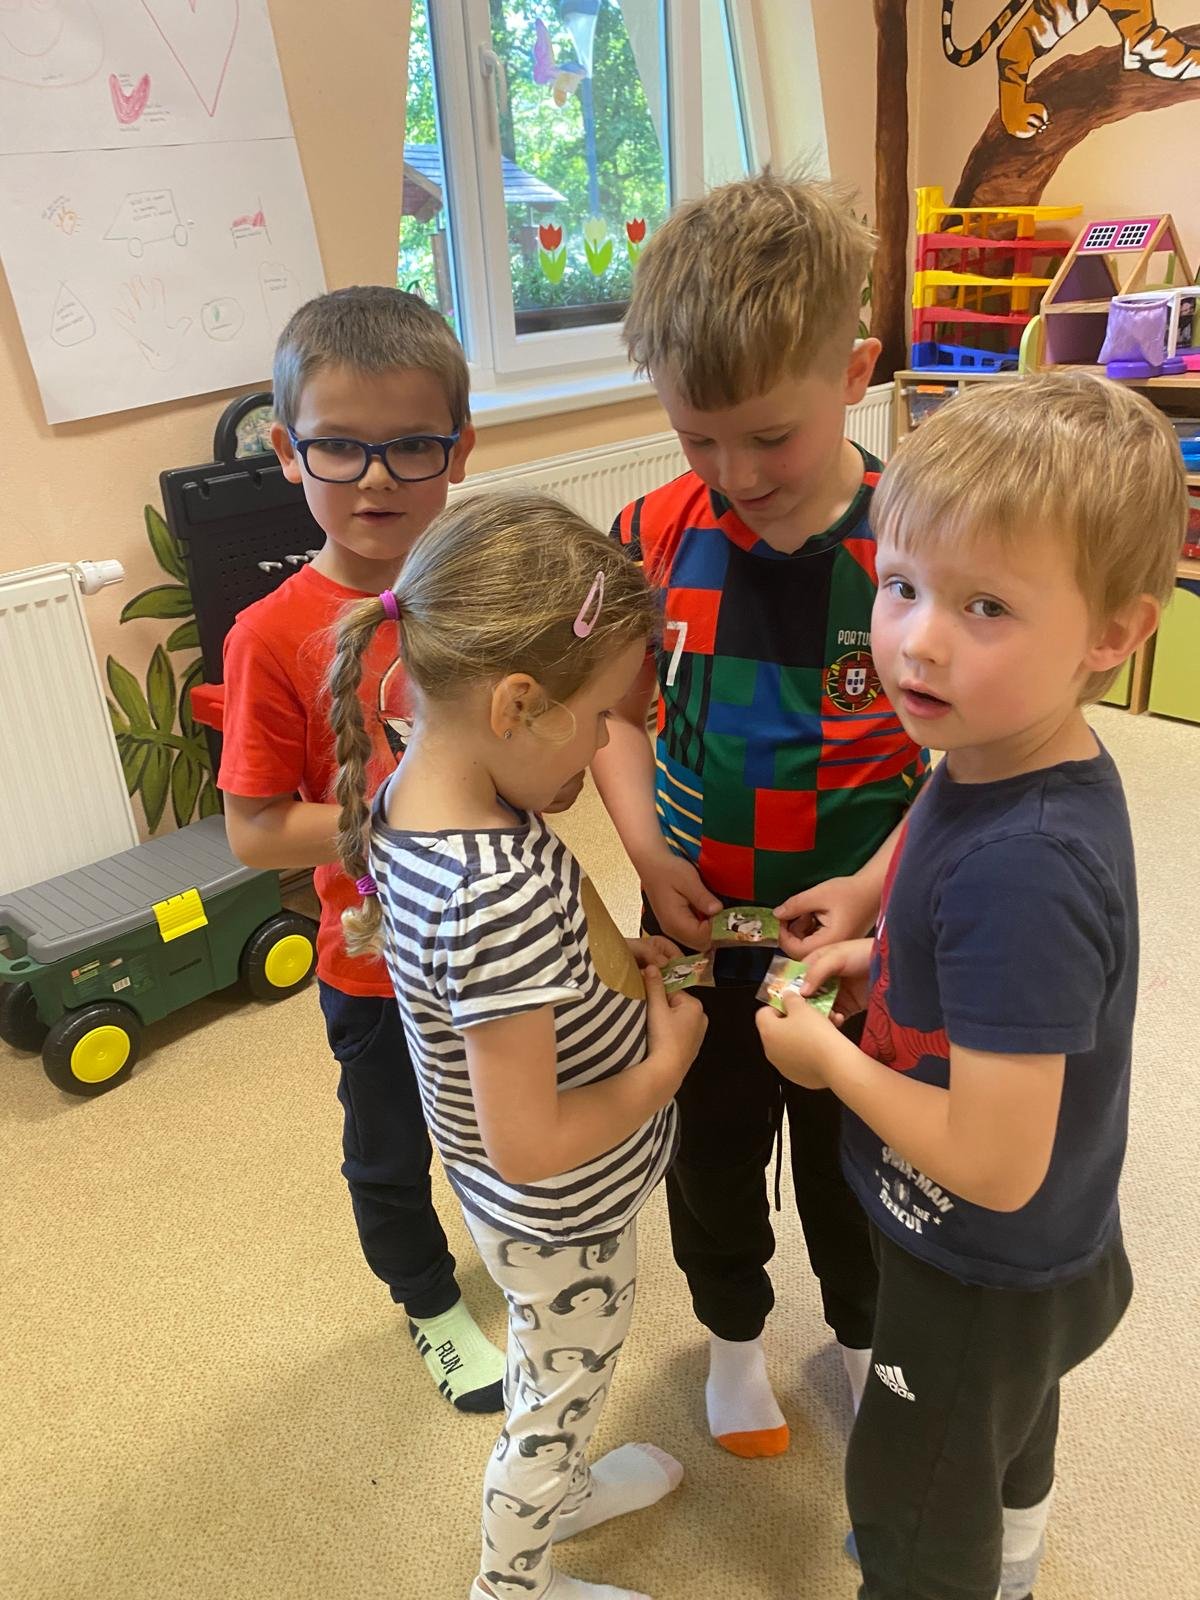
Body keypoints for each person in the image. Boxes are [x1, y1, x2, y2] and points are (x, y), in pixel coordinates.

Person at [757, 372, 1185, 1600]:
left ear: (1112, 635)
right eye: (901, 585)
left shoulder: (1025, 868)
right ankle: (1016, 1558)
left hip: (977, 1257)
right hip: (1032, 1251)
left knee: (914, 1495)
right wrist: (876, 946)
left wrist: (828, 1061)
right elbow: (951, 890)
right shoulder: (999, 744)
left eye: (985, 604)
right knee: (1004, 1425)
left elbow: (995, 1162)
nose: (918, 639)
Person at [591, 170, 927, 1458]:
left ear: (856, 372)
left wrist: (879, 888)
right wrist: (645, 845)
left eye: (768, 438)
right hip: (692, 924)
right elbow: (615, 715)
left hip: (861, 938)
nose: (733, 475)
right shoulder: (648, 533)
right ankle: (733, 1339)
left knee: (859, 1153)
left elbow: (967, 764)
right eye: (697, 438)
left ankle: (862, 1334)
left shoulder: (918, 547)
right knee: (712, 1142)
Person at [327, 491, 708, 1600]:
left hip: (518, 1204)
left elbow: (507, 995)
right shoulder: (490, 894)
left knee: (563, 1371)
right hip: (556, 1210)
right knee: (556, 1400)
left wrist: (608, 960)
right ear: (517, 704)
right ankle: (513, 1584)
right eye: (598, 722)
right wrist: (665, 1067)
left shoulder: (424, 788)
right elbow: (530, 1141)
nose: (605, 746)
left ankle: (567, 1493)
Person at [219, 286, 509, 1412]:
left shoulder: (481, 595)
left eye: (411, 445)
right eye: (340, 446)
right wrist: (408, 809)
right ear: (288, 453)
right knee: (390, 1147)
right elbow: (255, 831)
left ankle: (510, 1248)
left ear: (459, 449)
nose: (376, 479)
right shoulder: (269, 636)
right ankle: (428, 1302)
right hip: (375, 961)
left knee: (500, 1118)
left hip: (498, 936)